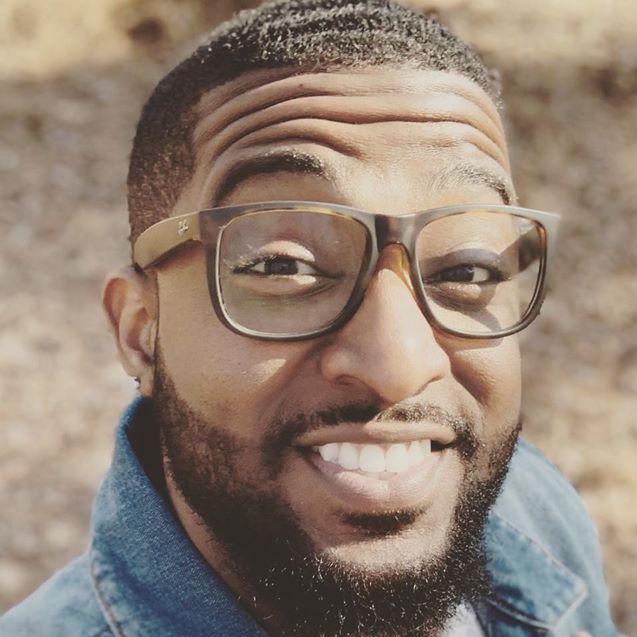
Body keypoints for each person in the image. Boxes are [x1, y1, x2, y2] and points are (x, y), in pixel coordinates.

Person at [0, 1, 622, 636]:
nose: (399, 367)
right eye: (283, 266)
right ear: (139, 331)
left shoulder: (527, 509)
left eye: (467, 270)